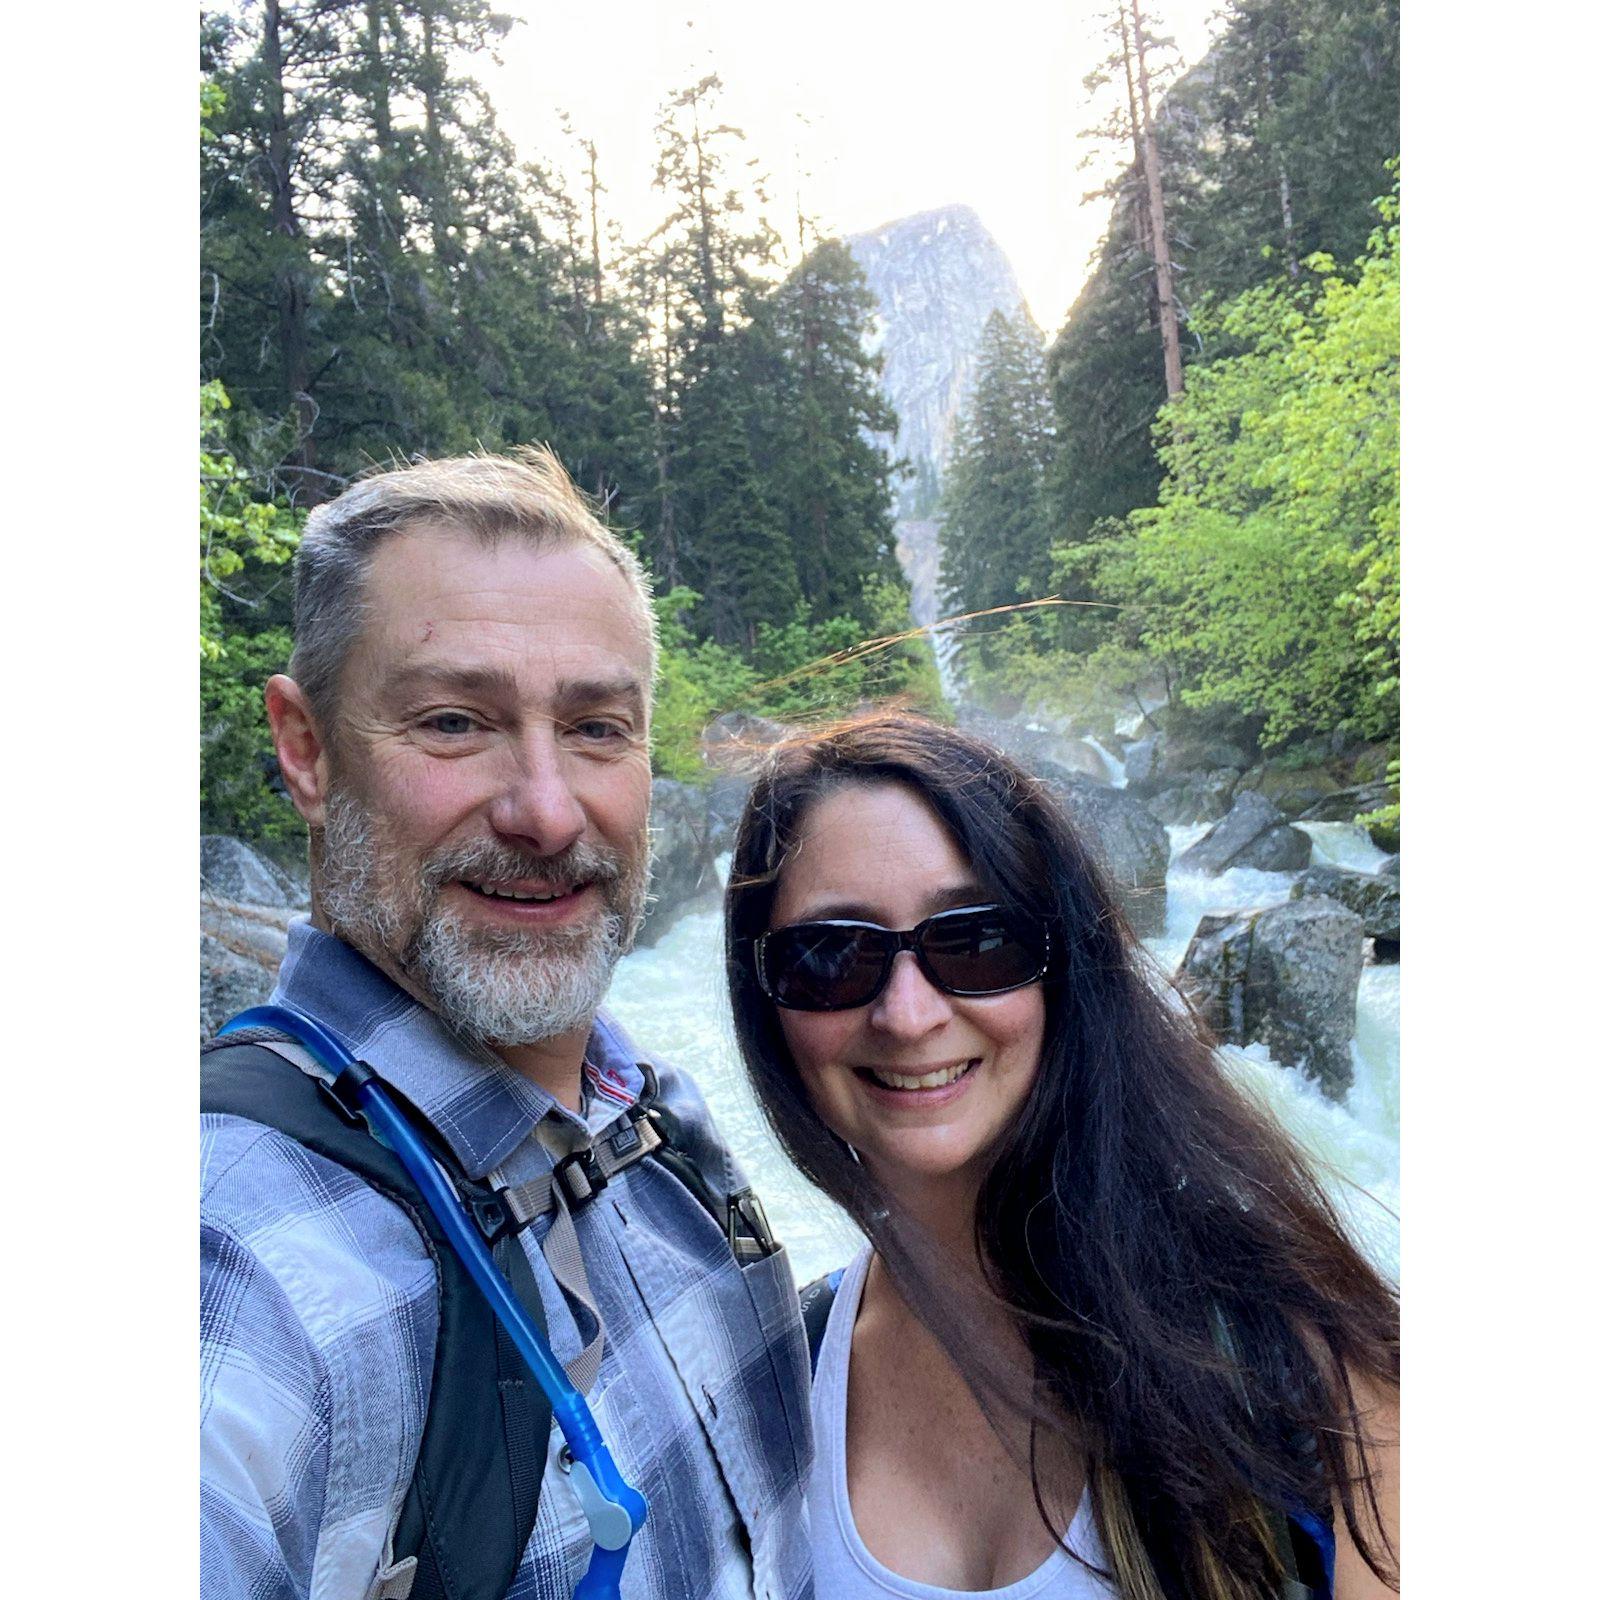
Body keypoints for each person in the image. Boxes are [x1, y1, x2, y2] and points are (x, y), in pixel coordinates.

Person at [200, 450, 812, 1600]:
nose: (544, 808)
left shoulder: (656, 1119)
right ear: (306, 747)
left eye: (595, 729)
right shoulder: (241, 1260)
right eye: (452, 720)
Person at [724, 712, 1399, 1600]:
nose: (908, 1014)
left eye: (974, 939)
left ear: (1062, 967)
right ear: (766, 999)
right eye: (832, 954)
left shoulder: (1298, 1362)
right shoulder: (784, 1378)